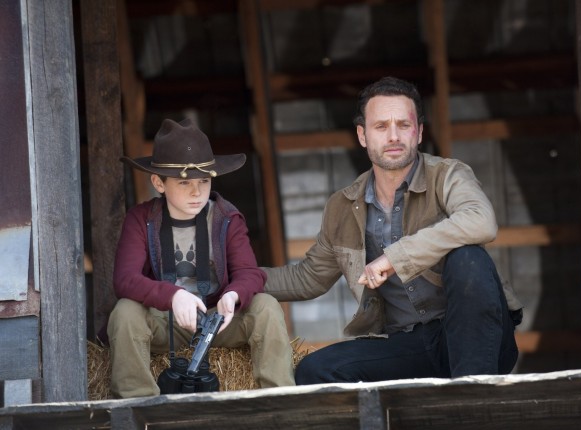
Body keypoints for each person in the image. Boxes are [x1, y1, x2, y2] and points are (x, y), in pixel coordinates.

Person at [263, 76, 523, 385]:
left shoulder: (448, 175)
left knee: (468, 259)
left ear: (419, 132)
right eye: (381, 126)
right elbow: (307, 278)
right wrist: (236, 281)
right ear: (362, 135)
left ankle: (473, 398)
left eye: (404, 124)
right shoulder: (343, 206)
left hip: (478, 338)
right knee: (314, 370)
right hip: (409, 345)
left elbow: (480, 220)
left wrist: (394, 257)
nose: (394, 136)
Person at [107, 118, 295, 398]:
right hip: (165, 321)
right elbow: (124, 280)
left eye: (204, 181)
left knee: (266, 306)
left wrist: (232, 295)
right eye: (184, 182)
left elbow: (249, 273)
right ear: (158, 182)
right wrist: (173, 296)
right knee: (125, 312)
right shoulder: (141, 218)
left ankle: (280, 400)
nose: (196, 192)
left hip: (218, 321)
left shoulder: (226, 217)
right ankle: (139, 405)